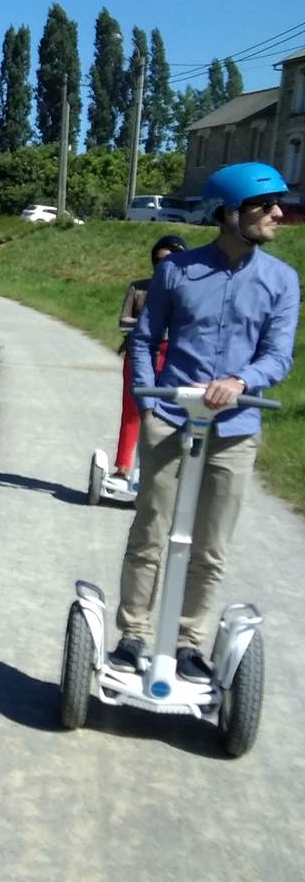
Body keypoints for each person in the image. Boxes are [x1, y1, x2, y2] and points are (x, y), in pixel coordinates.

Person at [108, 162, 299, 681]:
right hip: (170, 418)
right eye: (266, 207)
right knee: (151, 530)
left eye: (276, 205)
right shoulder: (178, 270)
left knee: (210, 545)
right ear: (230, 213)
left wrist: (240, 380)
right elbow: (146, 339)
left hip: (235, 427)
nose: (277, 214)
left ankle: (191, 642)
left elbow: (279, 356)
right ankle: (132, 634)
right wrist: (148, 408)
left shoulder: (282, 280)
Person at [108, 235, 186, 484]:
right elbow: (123, 322)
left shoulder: (186, 292)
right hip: (139, 354)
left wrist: (149, 326)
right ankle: (122, 466)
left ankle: (161, 471)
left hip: (172, 356)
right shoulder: (139, 288)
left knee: (168, 415)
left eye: (172, 261)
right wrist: (154, 327)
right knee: (132, 411)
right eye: (159, 261)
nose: (164, 266)